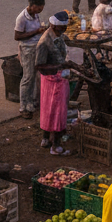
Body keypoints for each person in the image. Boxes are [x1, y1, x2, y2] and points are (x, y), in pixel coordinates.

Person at [36, 12, 74, 154]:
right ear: (52, 25)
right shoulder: (45, 42)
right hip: (52, 79)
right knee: (58, 112)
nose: (62, 31)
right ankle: (56, 146)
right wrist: (61, 67)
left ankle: (45, 139)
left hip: (55, 78)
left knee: (48, 110)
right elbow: (39, 65)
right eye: (60, 28)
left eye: (64, 28)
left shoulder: (58, 36)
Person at [14, 0, 46, 120]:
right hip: (27, 50)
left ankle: (31, 102)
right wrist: (36, 32)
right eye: (39, 8)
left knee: (34, 76)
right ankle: (23, 107)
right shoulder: (21, 18)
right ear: (32, 6)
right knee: (27, 78)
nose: (40, 10)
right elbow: (17, 36)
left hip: (36, 48)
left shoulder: (35, 15)